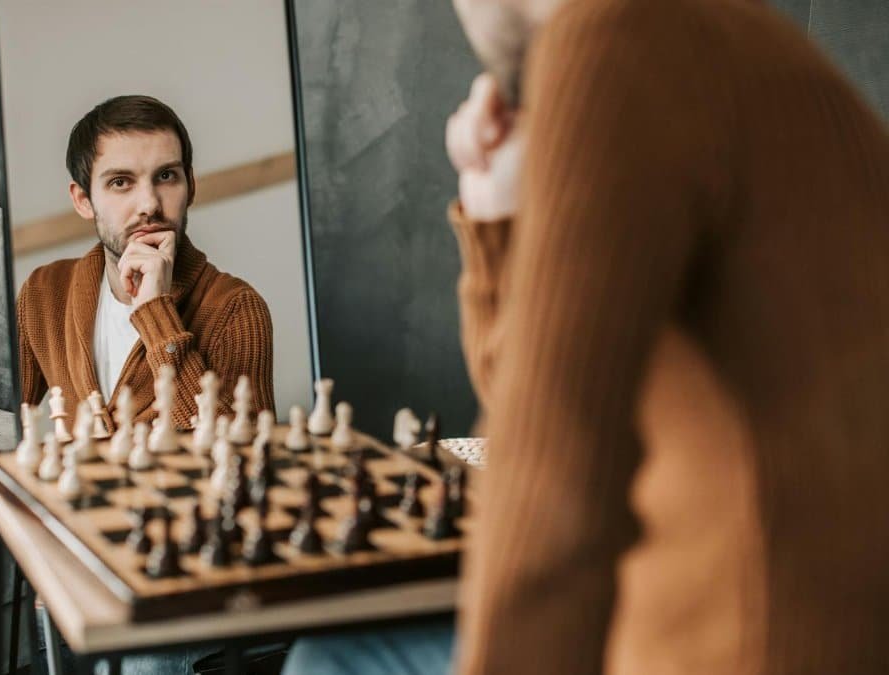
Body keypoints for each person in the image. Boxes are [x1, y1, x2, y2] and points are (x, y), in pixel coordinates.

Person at [284, 0, 889, 673]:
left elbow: (551, 490)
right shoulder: (743, 45)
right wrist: (497, 219)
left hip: (718, 646)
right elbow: (539, 399)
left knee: (330, 664)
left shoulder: (615, 39)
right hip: (774, 629)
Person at [16, 95, 275, 430]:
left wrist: (157, 314)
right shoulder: (43, 292)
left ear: (190, 187)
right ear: (83, 200)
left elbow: (244, 460)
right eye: (121, 182)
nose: (149, 204)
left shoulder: (237, 310)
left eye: (166, 176)